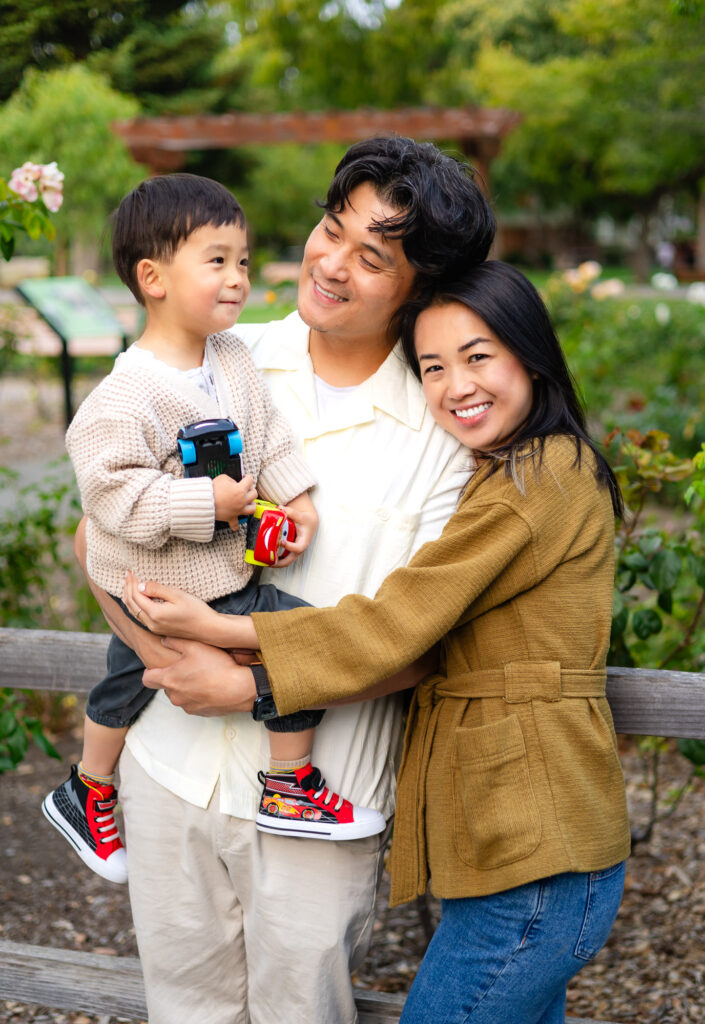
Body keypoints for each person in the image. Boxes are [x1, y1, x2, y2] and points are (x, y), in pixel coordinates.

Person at [124, 261, 632, 1024]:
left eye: (477, 356)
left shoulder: (540, 478)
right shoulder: (508, 472)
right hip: (521, 849)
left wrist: (223, 631)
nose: (455, 385)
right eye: (432, 367)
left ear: (530, 356)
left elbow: (398, 621)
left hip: (537, 857)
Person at [74, 136, 497, 1024]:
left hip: (321, 788)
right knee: (183, 1010)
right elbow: (98, 535)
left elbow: (425, 641)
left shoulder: (444, 432)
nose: (331, 264)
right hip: (171, 766)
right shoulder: (212, 358)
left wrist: (246, 683)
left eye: (372, 258)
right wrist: (168, 659)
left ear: (419, 286)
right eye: (331, 229)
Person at [43, 172, 386, 887]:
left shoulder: (230, 357)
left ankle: (282, 784)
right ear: (153, 278)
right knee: (133, 681)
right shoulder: (121, 398)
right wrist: (210, 504)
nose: (238, 279)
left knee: (293, 646)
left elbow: (268, 436)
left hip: (223, 578)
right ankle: (89, 786)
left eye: (243, 262)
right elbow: (114, 497)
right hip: (154, 586)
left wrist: (296, 502)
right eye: (218, 261)